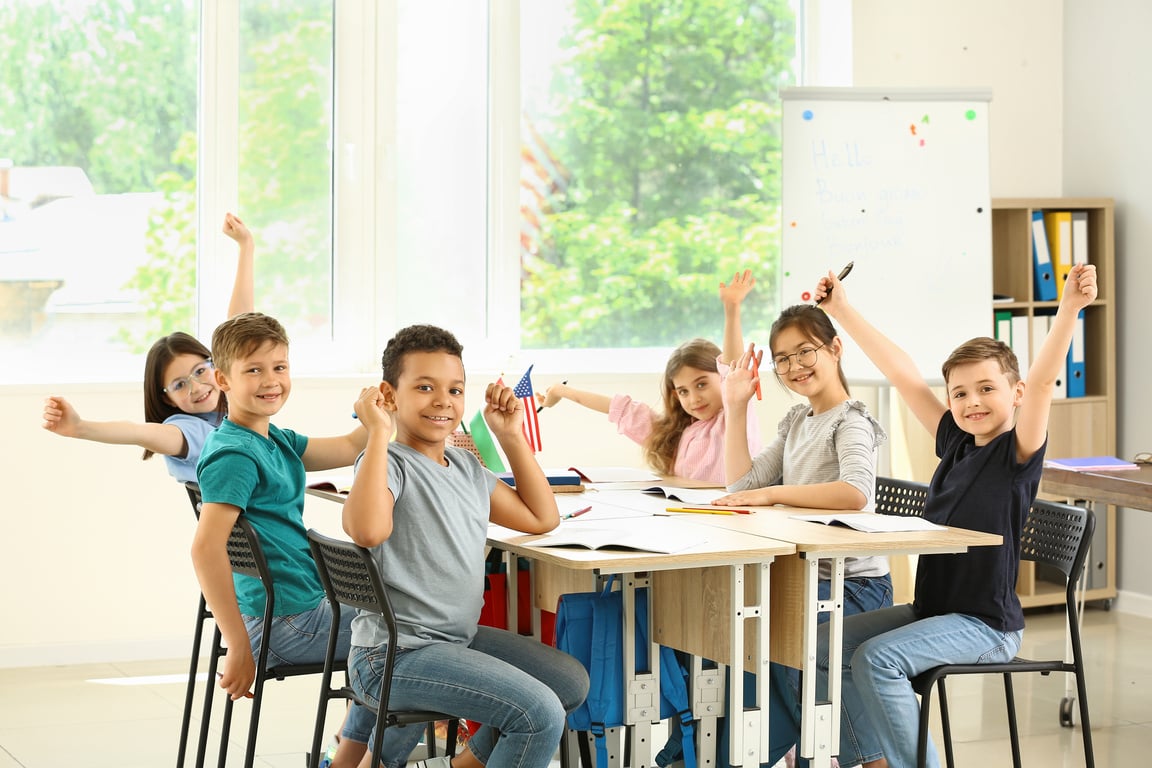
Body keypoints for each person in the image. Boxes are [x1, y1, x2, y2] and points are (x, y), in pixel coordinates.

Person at [812, 262, 1098, 768]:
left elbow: (1045, 376)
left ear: (1016, 394)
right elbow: (900, 371)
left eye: (987, 388)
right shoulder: (955, 443)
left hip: (985, 626)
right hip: (934, 612)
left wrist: (1069, 309)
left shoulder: (1018, 453)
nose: (972, 402)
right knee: (821, 643)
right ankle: (872, 759)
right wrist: (841, 311)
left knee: (876, 660)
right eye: (960, 393)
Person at [342, 324, 590, 768]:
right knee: (537, 715)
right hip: (396, 654)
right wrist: (377, 433)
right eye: (424, 387)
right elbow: (366, 531)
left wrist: (511, 436)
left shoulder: (464, 466)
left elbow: (541, 518)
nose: (443, 401)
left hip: (455, 640)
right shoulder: (389, 462)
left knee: (567, 684)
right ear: (389, 395)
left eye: (455, 389)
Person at [191, 311, 376, 768]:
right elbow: (204, 548)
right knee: (410, 635)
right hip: (285, 620)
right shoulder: (235, 454)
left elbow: (348, 447)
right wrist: (237, 646)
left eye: (280, 367)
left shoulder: (270, 437)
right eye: (253, 370)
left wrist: (377, 415)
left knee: (403, 620)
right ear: (223, 379)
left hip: (296, 606)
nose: (271, 381)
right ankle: (360, 757)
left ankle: (349, 754)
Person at [709, 303, 891, 768]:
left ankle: (852, 756)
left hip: (852, 586)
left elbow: (855, 492)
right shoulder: (795, 422)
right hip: (806, 579)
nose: (793, 367)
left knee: (778, 636)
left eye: (804, 352)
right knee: (739, 630)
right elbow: (742, 487)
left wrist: (775, 496)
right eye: (782, 359)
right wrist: (735, 406)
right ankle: (759, 752)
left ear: (835, 348)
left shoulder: (851, 420)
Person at [40, 212, 255, 483]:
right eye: (179, 385)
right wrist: (81, 427)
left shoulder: (232, 409)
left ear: (216, 366)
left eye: (200, 371)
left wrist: (246, 247)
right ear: (167, 398)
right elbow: (140, 432)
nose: (197, 387)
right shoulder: (190, 431)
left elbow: (240, 331)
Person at [535, 270, 761, 483]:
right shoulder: (676, 435)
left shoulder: (735, 415)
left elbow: (734, 370)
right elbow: (620, 409)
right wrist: (562, 391)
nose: (694, 399)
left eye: (701, 384)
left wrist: (732, 309)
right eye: (683, 391)